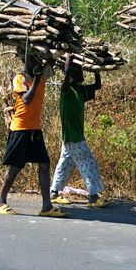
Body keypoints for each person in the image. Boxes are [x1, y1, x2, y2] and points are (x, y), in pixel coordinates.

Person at [0, 50, 66, 218]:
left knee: (44, 164)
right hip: (20, 128)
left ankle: (46, 206)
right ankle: (0, 201)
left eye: (38, 60)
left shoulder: (42, 74)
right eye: (33, 60)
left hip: (35, 128)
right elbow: (26, 99)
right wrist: (37, 79)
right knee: (16, 167)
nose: (36, 63)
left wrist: (58, 56)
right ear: (26, 61)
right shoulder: (21, 78)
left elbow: (57, 64)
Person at [49, 54, 109, 208]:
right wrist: (69, 58)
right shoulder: (66, 91)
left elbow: (97, 86)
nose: (81, 74)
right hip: (73, 136)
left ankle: (54, 192)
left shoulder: (80, 91)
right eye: (78, 71)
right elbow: (67, 72)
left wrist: (96, 69)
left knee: (66, 164)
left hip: (71, 137)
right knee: (88, 162)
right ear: (70, 75)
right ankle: (93, 196)